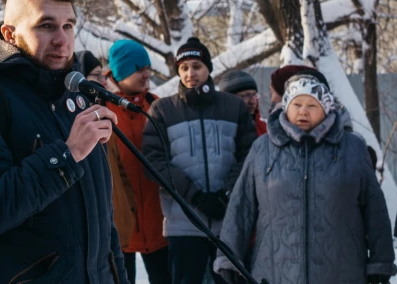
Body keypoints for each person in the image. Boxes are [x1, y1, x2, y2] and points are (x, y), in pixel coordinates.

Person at [0, 0, 128, 283]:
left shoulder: (77, 98)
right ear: (9, 34)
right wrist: (68, 155)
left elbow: (103, 226)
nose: (62, 40)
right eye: (45, 26)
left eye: (68, 25)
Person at [215, 74, 396, 284]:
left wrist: (380, 261)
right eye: (297, 104)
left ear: (326, 109)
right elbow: (240, 207)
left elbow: (375, 209)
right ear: (286, 107)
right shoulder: (262, 148)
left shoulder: (353, 148)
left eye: (312, 105)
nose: (303, 111)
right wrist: (228, 258)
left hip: (342, 272)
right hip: (275, 272)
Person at [143, 37, 257, 284]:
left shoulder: (234, 107)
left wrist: (226, 194)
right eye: (184, 68)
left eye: (197, 66)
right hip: (183, 224)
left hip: (228, 221)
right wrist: (195, 196)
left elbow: (249, 155)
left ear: (208, 69)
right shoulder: (162, 110)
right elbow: (154, 162)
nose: (190, 73)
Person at [105, 40, 171, 284]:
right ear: (121, 72)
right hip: (120, 224)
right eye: (139, 68)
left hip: (158, 221)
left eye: (148, 68)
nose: (147, 74)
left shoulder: (156, 105)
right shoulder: (102, 108)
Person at [218, 70, 266, 136]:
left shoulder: (264, 128)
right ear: (230, 99)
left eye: (254, 95)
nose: (252, 101)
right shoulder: (219, 132)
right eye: (246, 95)